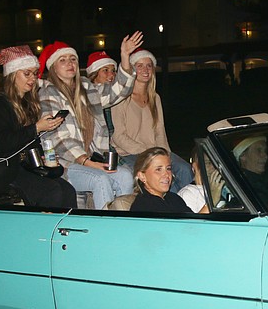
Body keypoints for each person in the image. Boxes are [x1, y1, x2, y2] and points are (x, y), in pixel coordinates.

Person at [38, 33, 142, 209]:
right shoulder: (48, 93)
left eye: (72, 59)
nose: (70, 63)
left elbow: (119, 91)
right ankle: (105, 229)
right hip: (64, 165)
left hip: (93, 159)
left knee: (125, 175)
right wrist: (88, 162)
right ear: (53, 67)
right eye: (62, 60)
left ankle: (124, 223)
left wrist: (124, 57)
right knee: (100, 179)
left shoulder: (86, 88)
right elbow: (60, 138)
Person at [0, 45, 76, 209]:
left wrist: (43, 158)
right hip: (0, 170)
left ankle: (67, 230)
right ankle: (42, 233)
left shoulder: (28, 103)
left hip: (23, 167)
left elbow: (29, 143)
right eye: (26, 73)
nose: (32, 78)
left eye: (34, 73)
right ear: (12, 75)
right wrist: (36, 128)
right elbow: (3, 142)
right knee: (51, 191)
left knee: (68, 190)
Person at [111, 49, 194, 192]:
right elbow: (119, 136)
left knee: (185, 170)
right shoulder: (121, 97)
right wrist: (149, 152)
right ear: (131, 69)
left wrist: (165, 154)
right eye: (140, 65)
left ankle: (187, 208)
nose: (145, 69)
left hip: (155, 150)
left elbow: (160, 131)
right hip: (130, 153)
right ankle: (169, 209)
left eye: (149, 65)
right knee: (163, 178)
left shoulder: (155, 98)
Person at [130, 147, 191, 213]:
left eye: (168, 169)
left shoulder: (174, 199)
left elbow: (194, 221)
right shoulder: (143, 206)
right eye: (158, 170)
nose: (166, 174)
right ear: (142, 176)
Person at [178, 146, 224, 213]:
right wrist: (212, 201)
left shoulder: (226, 189)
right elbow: (191, 223)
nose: (214, 167)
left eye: (215, 163)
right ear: (195, 167)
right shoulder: (188, 194)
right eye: (208, 163)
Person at [86, 50, 118, 138]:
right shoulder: (88, 94)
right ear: (94, 73)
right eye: (105, 70)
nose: (111, 74)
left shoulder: (119, 94)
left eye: (113, 70)